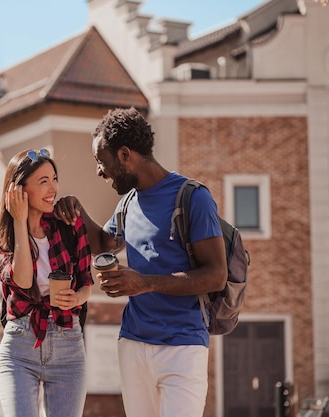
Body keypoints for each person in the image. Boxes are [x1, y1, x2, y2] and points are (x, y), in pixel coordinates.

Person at [54, 107, 227, 417]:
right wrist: (76, 209)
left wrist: (144, 283)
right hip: (133, 344)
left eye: (101, 161)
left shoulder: (193, 198)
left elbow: (216, 275)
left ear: (124, 155)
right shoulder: (128, 203)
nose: (99, 171)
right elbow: (103, 245)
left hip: (183, 347)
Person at [0, 148, 93, 417]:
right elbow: (22, 281)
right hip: (20, 347)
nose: (53, 188)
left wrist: (76, 299)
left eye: (54, 179)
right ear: (18, 190)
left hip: (68, 342)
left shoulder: (70, 225)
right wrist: (20, 222)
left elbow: (86, 284)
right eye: (43, 181)